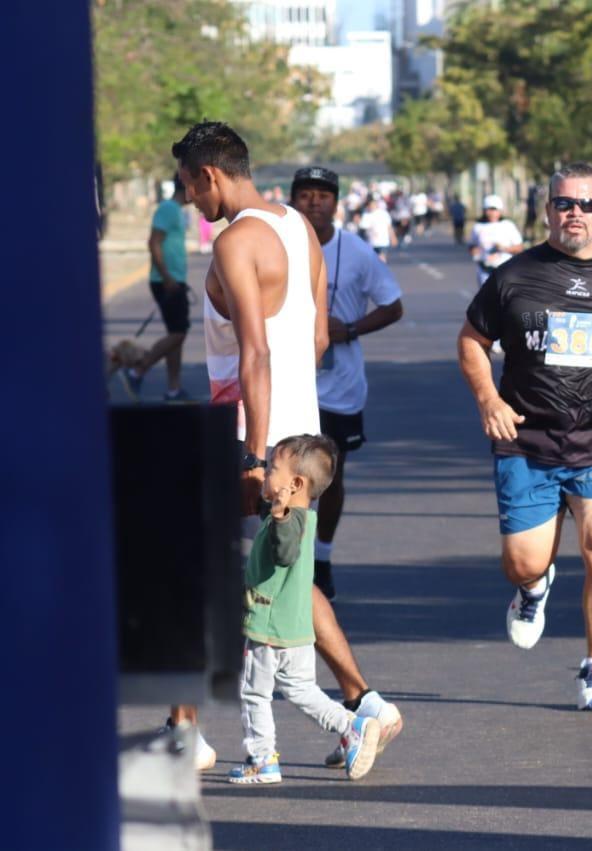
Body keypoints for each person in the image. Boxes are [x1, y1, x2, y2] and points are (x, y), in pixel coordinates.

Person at [171, 121, 402, 770]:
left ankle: (184, 733)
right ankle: (366, 704)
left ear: (211, 174)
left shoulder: (236, 241)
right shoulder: (298, 229)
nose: (189, 197)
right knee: (285, 577)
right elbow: (317, 336)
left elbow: (255, 351)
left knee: (198, 568)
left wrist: (252, 452)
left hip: (255, 433)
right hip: (303, 429)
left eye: (189, 184)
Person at [457, 162, 592, 711]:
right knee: (524, 562)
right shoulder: (513, 276)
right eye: (564, 204)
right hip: (528, 439)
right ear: (547, 209)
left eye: (587, 205)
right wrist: (490, 400)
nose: (574, 213)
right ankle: (532, 590)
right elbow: (471, 340)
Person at [230, 434, 381, 785]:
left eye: (272, 468)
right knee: (301, 690)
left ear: (295, 484)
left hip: (269, 627)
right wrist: (251, 469)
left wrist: (278, 514)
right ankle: (351, 726)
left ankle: (262, 758)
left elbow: (284, 552)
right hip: (295, 629)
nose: (266, 473)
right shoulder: (302, 516)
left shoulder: (289, 522)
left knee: (253, 692)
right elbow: (273, 517)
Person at [290, 166, 404, 602]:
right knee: (285, 474)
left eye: (323, 195)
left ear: (336, 204)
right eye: (306, 195)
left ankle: (322, 556)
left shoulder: (356, 251)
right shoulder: (279, 248)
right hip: (291, 382)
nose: (314, 202)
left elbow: (392, 305)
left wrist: (351, 329)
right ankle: (289, 557)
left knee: (332, 478)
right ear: (293, 200)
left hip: (340, 387)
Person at [120, 174, 191, 402]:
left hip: (175, 279)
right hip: (166, 280)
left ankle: (173, 388)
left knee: (176, 334)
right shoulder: (168, 208)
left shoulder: (178, 211)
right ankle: (137, 370)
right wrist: (167, 276)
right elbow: (153, 241)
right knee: (179, 332)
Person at [468, 194, 524, 288]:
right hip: (485, 270)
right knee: (487, 301)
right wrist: (475, 250)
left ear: (499, 211)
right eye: (488, 209)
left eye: (494, 209)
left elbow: (519, 248)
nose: (491, 212)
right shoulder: (478, 227)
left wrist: (504, 248)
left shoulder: (508, 225)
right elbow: (472, 246)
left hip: (505, 271)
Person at [359, 195, 397, 262]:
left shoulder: (383, 213)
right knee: (373, 260)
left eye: (373, 204)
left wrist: (393, 237)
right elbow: (363, 228)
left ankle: (381, 270)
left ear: (376, 204)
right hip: (371, 242)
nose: (371, 206)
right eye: (369, 205)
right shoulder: (366, 215)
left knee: (382, 258)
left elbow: (389, 226)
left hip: (383, 240)